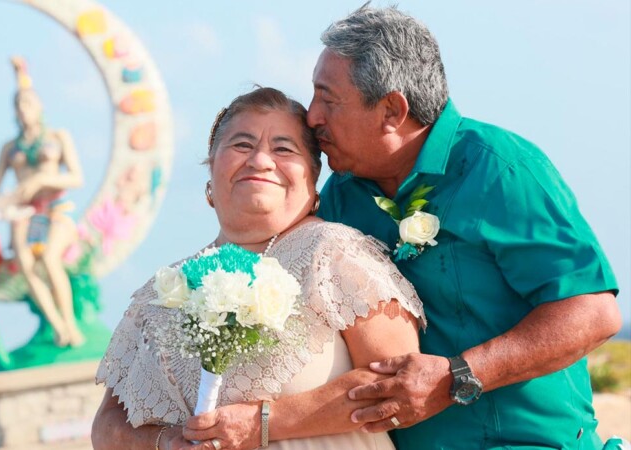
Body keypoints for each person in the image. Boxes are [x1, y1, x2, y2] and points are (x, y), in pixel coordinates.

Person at [182, 4, 621, 450]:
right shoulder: (340, 195)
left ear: (392, 110)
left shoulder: (501, 171)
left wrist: (459, 374)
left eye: (327, 99)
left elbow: (593, 313)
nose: (312, 117)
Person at [91, 87, 425, 450]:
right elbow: (108, 424)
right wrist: (167, 441)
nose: (260, 160)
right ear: (211, 169)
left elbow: (399, 386)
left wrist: (261, 423)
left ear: (313, 181)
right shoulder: (163, 290)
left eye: (283, 148)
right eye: (242, 145)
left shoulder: (334, 253)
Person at [0, 57, 86, 347]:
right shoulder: (10, 148)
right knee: (25, 264)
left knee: (49, 258)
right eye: (19, 107)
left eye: (28, 105)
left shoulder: (58, 136)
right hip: (23, 211)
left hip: (55, 207)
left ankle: (71, 324)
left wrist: (42, 182)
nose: (24, 112)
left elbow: (75, 177)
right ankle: (58, 326)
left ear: (40, 108)